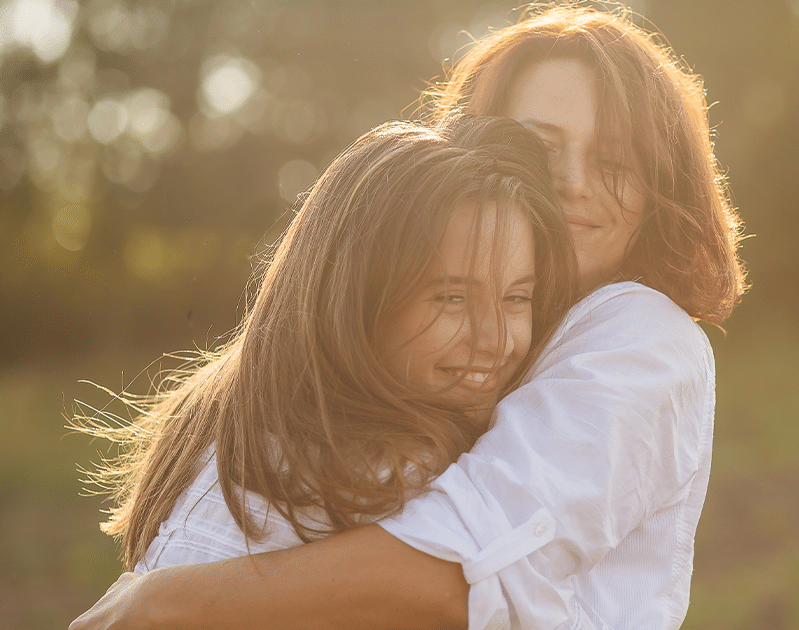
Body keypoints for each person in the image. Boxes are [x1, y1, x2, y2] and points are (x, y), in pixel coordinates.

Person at [71, 4, 745, 630]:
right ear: (478, 143)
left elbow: (464, 566)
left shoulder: (639, 336)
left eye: (613, 160)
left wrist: (160, 601)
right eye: (540, 148)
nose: (572, 180)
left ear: (660, 184)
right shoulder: (368, 383)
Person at [76, 115, 577, 579]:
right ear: (354, 300)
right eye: (451, 297)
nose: (494, 340)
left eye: (517, 297)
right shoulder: (380, 474)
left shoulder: (236, 414)